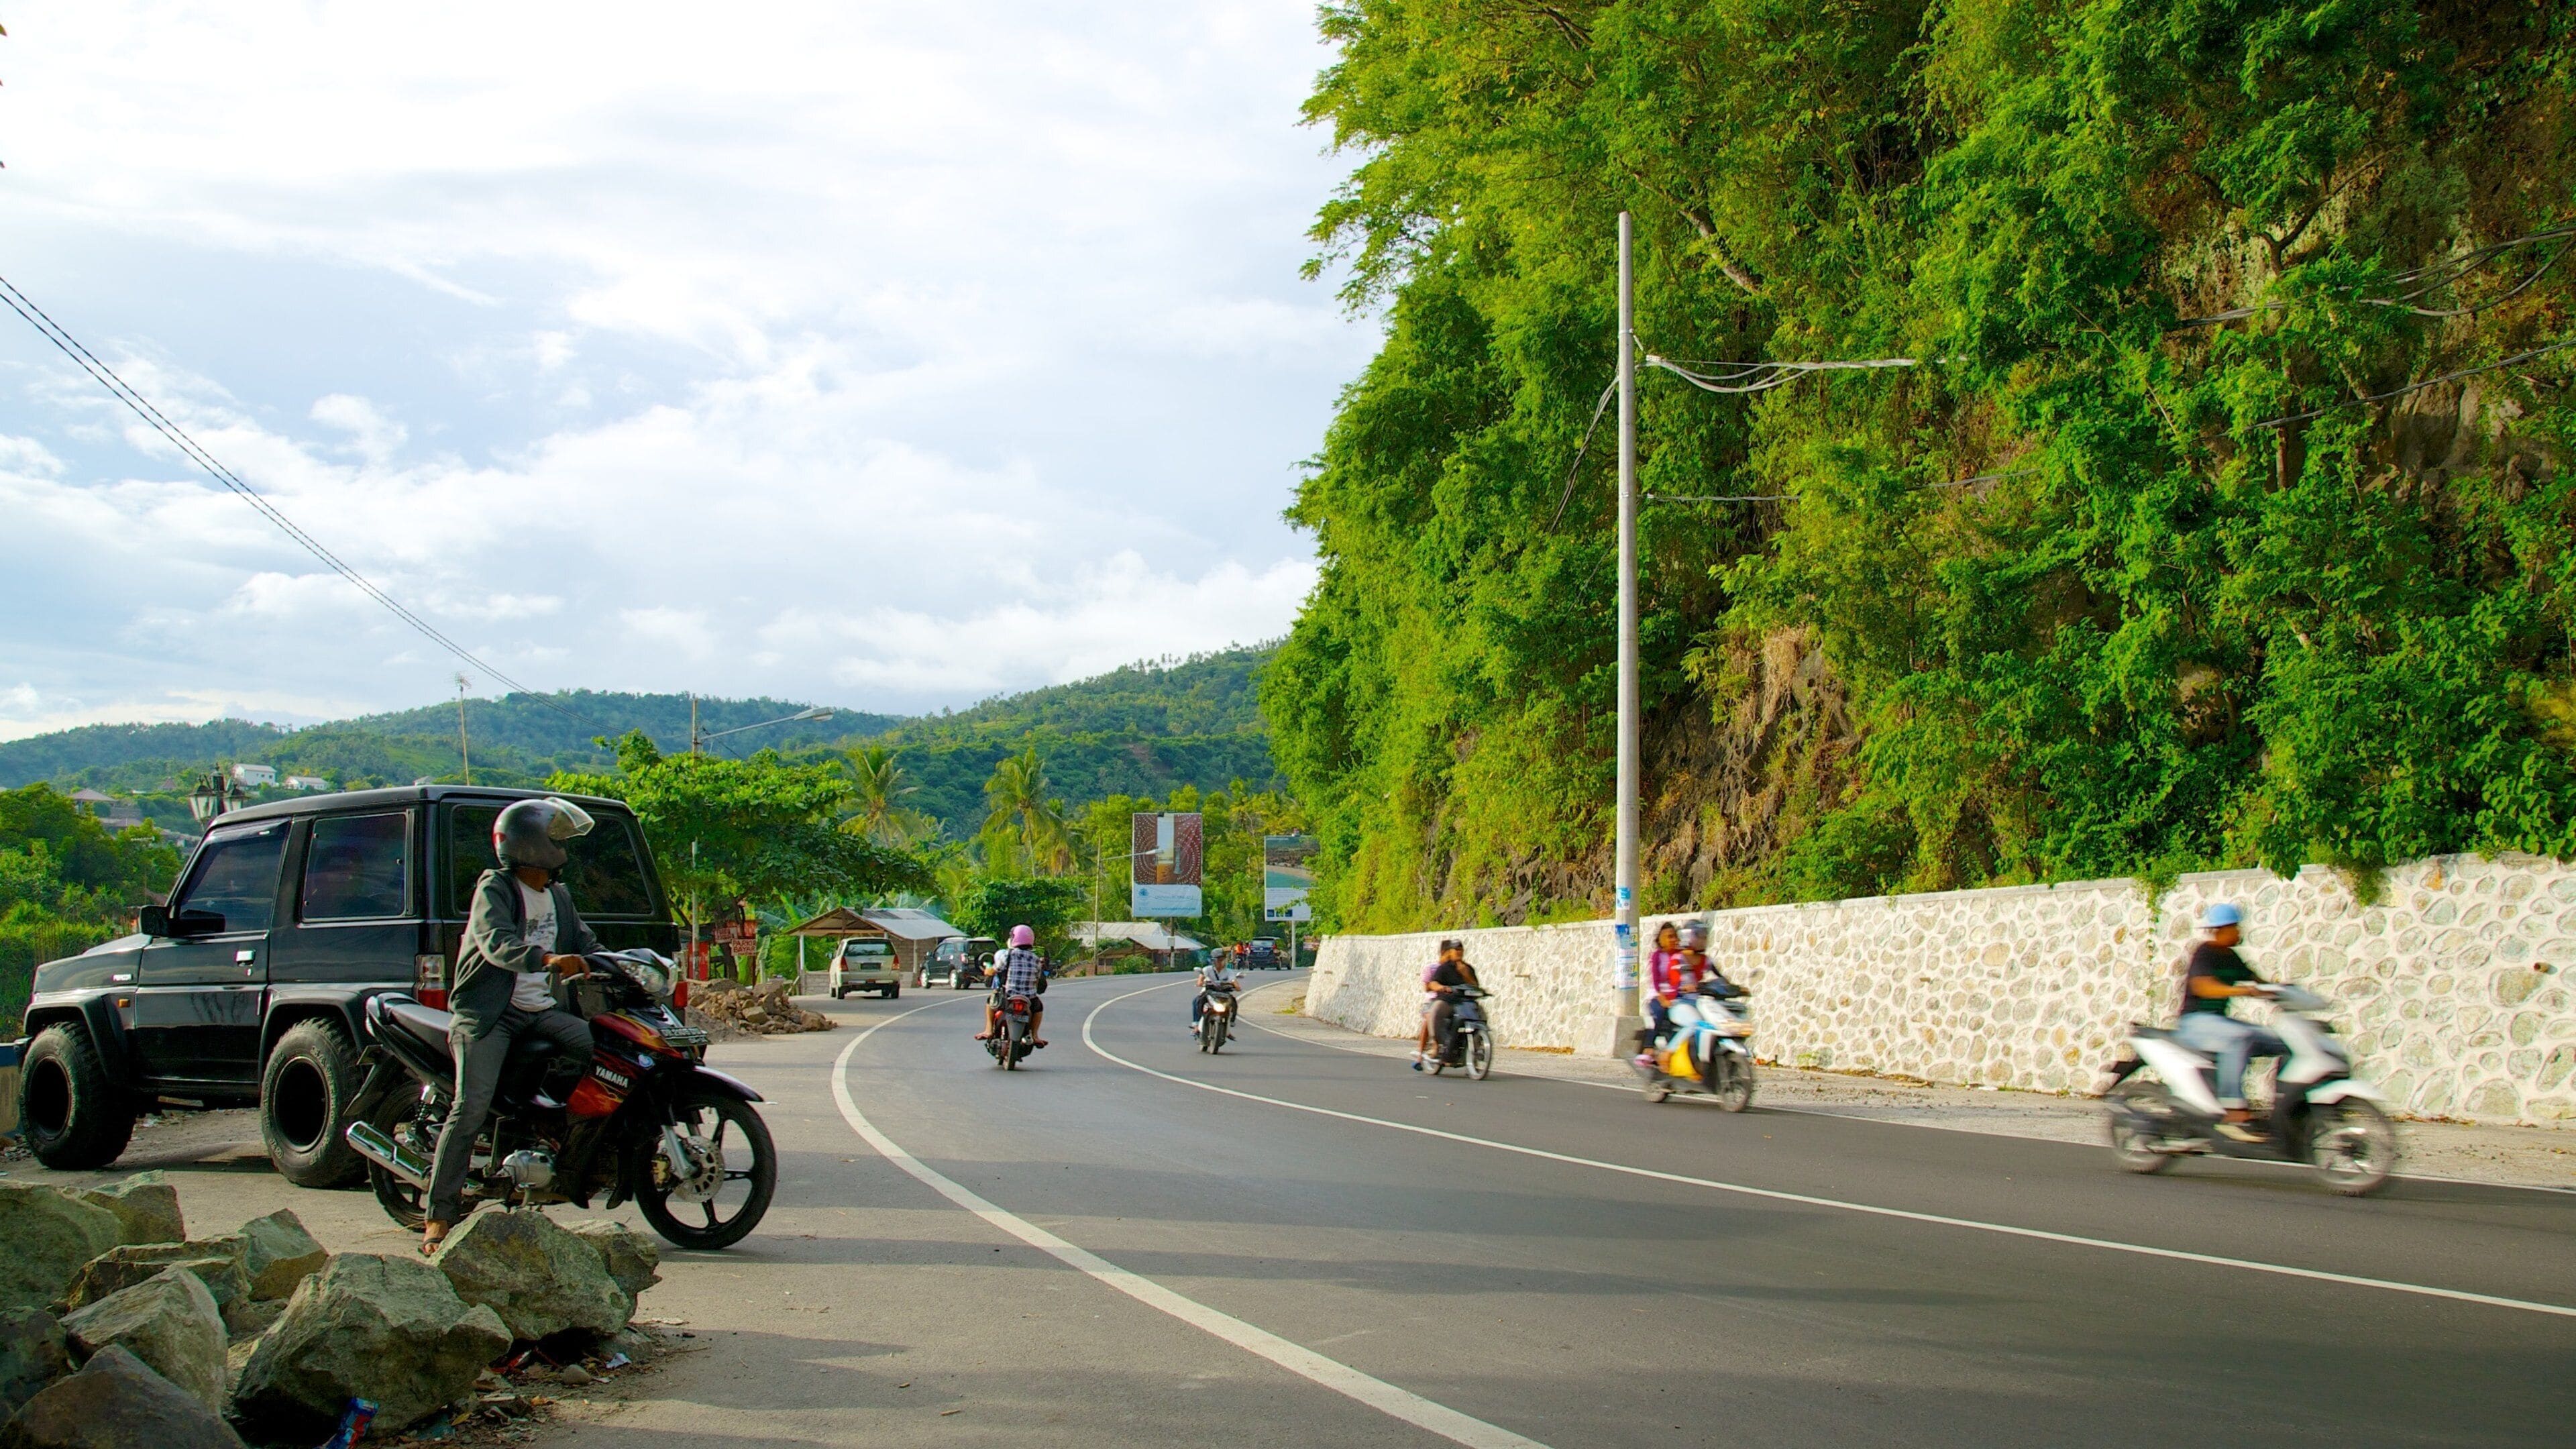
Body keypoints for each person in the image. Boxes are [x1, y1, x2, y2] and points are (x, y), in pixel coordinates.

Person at [423, 797, 601, 1254]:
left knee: (594, 1048)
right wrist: (544, 958)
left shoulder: (558, 895)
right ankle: (439, 1214)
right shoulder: (495, 889)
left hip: (541, 1011)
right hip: (489, 1015)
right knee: (470, 1109)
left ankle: (553, 1146)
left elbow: (585, 941)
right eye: (557, 837)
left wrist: (625, 963)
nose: (563, 845)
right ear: (532, 843)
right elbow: (496, 942)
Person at [2171, 902, 2282, 1142]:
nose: (2239, 932)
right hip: (2195, 1023)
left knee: (2281, 1042)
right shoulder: (2206, 953)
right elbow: (2203, 987)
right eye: (2235, 927)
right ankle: (2233, 1111)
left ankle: (2285, 1111)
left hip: (2218, 1025)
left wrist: (2282, 992)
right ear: (2222, 929)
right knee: (2239, 1037)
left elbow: (2257, 982)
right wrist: (2241, 992)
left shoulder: (2231, 957)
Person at [978, 924, 1049, 1047]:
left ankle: (989, 1030)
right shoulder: (1036, 959)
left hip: (1009, 995)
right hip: (1029, 999)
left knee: (990, 1002)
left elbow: (995, 970)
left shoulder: (1008, 955)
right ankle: (1035, 1035)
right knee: (1039, 1008)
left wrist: (987, 971)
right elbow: (1037, 979)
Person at [1418, 940, 1480, 1070]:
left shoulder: (1468, 968)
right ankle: (1440, 1042)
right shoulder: (1444, 968)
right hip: (1448, 1001)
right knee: (1436, 1011)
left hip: (1465, 1002)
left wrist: (1465, 973)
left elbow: (1475, 986)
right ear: (1450, 952)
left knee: (1481, 1014)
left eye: (1460, 950)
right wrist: (1442, 988)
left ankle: (1475, 1049)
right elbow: (1433, 984)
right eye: (1455, 950)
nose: (1458, 952)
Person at [1191, 949, 1243, 1035]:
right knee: (1197, 1001)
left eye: (1222, 959)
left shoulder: (1229, 971)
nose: (1221, 962)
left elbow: (1234, 980)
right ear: (1213, 961)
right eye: (1218, 960)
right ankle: (1196, 1025)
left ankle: (1231, 1022)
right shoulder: (1207, 969)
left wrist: (1237, 986)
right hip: (1209, 992)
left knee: (1233, 1002)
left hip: (1224, 994)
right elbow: (1200, 980)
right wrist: (1201, 983)